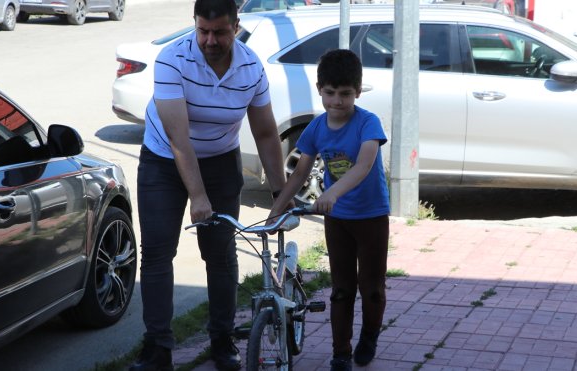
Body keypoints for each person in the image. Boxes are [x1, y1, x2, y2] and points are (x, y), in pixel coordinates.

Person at [131, 0, 287, 370]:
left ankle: (222, 340)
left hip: (219, 161)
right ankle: (158, 347)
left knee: (219, 253)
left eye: (219, 31)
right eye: (203, 30)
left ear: (236, 25)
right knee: (156, 253)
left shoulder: (250, 67)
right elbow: (178, 139)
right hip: (164, 161)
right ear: (195, 25)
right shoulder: (172, 60)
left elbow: (265, 133)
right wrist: (197, 197)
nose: (210, 40)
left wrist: (281, 195)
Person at [268, 49, 390, 371]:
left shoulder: (368, 123)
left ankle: (370, 336)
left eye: (346, 94)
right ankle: (340, 353)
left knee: (372, 288)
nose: (337, 101)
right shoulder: (317, 128)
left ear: (358, 92)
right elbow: (298, 173)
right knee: (341, 289)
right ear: (320, 89)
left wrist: (332, 193)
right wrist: (275, 213)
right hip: (338, 220)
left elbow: (363, 166)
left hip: (372, 216)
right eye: (331, 93)